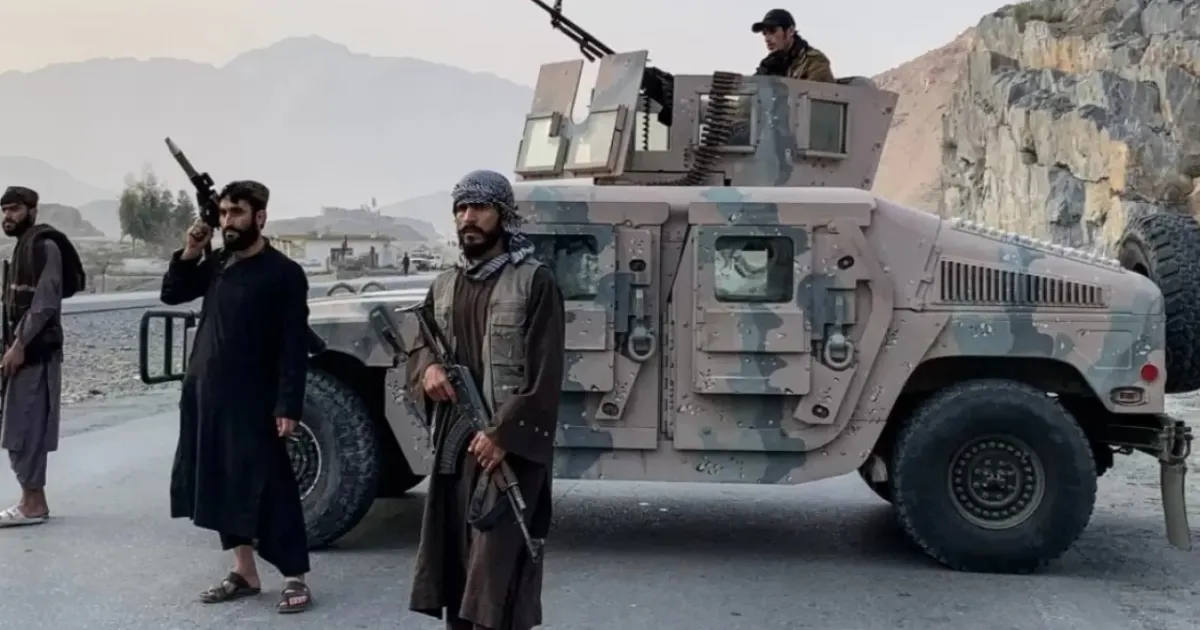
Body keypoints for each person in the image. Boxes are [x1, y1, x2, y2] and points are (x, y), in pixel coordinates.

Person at [407, 169, 565, 630]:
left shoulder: (534, 282)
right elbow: (421, 348)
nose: (468, 218)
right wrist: (429, 370)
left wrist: (503, 437)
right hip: (457, 451)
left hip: (509, 452)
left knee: (497, 575)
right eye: (460, 208)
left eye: (479, 208)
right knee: (458, 570)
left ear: (504, 215)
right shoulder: (443, 285)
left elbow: (547, 374)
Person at [159, 180, 315, 613]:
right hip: (206, 396)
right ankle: (244, 571)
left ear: (260, 217)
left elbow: (292, 344)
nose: (227, 221)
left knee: (271, 486)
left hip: (256, 399)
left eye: (237, 213)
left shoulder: (284, 273)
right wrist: (192, 246)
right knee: (219, 481)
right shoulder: (218, 262)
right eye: (223, 213)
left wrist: (288, 404)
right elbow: (172, 292)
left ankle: (293, 575)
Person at [0, 185, 84, 528]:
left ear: (33, 211)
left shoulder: (44, 246)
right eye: (4, 210)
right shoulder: (22, 247)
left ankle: (33, 504)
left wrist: (19, 345)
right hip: (20, 353)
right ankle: (30, 499)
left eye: (15, 209)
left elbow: (45, 302)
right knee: (17, 425)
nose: (8, 216)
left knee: (27, 427)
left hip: (36, 354)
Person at [751, 9, 836, 82]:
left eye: (773, 31)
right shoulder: (769, 65)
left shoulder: (814, 61)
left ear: (790, 31)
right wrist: (764, 73)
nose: (767, 39)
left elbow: (819, 96)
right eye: (765, 33)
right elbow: (746, 99)